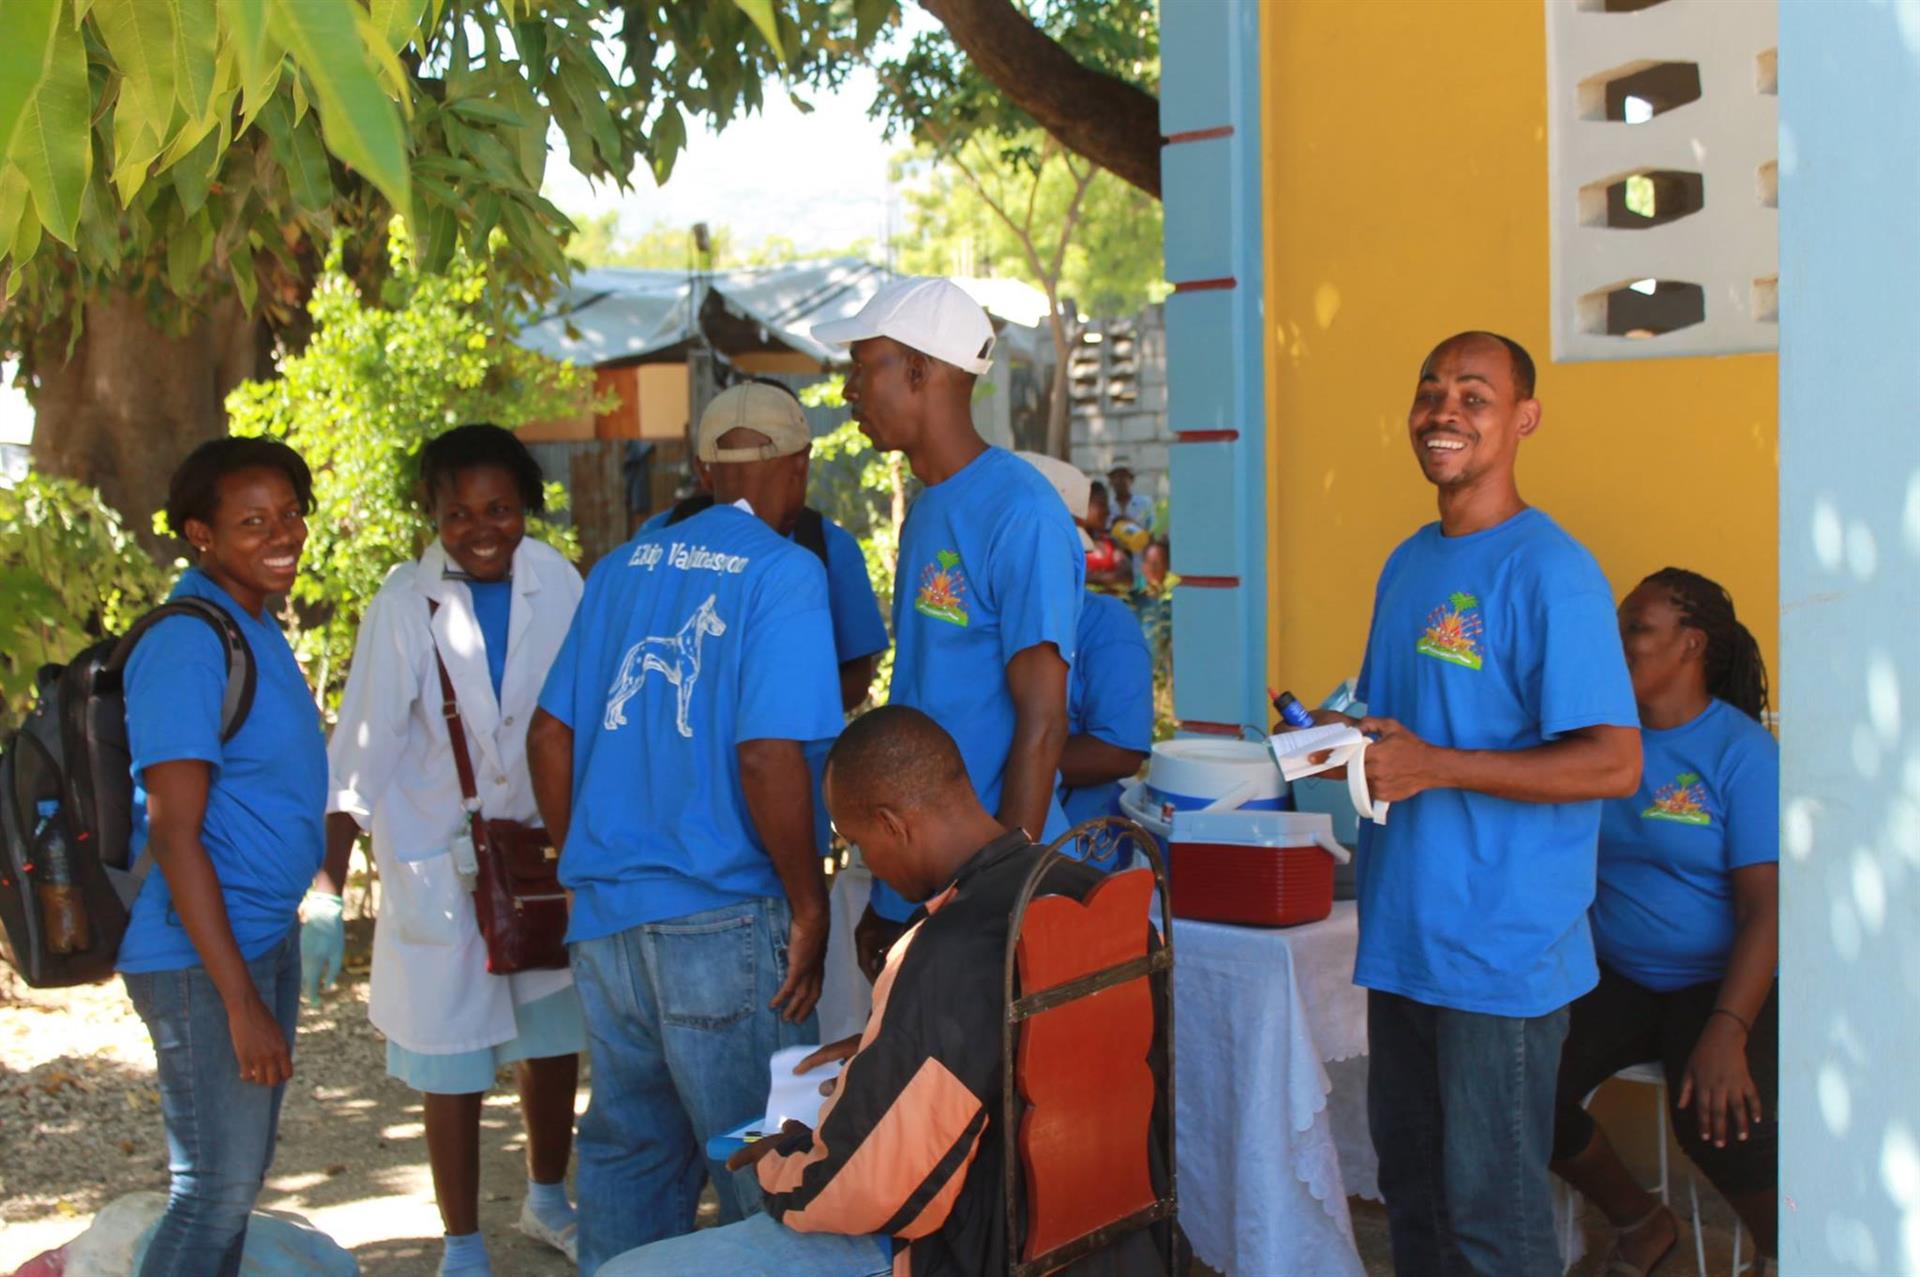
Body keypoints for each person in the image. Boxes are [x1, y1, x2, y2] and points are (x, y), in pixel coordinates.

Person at [1282, 332, 1642, 1275]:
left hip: (1502, 953)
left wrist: (1436, 765)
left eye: (1474, 395)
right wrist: (1339, 739)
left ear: (1525, 419)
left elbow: (1614, 762)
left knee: (1495, 1225)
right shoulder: (1409, 562)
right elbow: (1404, 723)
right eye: (1430, 390)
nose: (1444, 411)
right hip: (1406, 935)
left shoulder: (1553, 569)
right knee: (1418, 1205)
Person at [597, 705, 1178, 1277]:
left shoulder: (946, 947)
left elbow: (869, 1187)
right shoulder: (1083, 890)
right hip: (1112, 1239)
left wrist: (781, 1158)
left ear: (893, 824)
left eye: (857, 842)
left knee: (628, 1271)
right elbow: (1037, 1052)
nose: (866, 862)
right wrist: (887, 1043)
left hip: (977, 1248)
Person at [527, 389, 845, 1274]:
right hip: (726, 916)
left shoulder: (618, 567)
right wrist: (809, 904)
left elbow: (549, 736)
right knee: (765, 1165)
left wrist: (584, 865)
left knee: (629, 1154)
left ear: (706, 471)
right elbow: (768, 755)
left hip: (608, 925)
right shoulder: (784, 571)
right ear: (797, 468)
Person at [323, 425, 585, 1275]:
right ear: (431, 515)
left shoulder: (560, 581)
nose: (481, 529)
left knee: (551, 1040)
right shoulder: (404, 605)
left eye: (499, 508)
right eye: (458, 513)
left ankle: (547, 1198)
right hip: (441, 863)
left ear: (526, 505)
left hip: (539, 852)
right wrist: (327, 884)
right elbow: (358, 754)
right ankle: (462, 1243)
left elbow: (583, 716)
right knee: (453, 1061)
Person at [813, 277, 1085, 979]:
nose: (848, 391)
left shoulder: (1022, 512)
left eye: (862, 366)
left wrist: (999, 904)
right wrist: (889, 894)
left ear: (919, 370)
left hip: (989, 892)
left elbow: (1044, 721)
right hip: (926, 880)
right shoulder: (931, 507)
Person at [118, 437, 329, 1276]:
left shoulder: (253, 621)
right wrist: (240, 1001)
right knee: (211, 1190)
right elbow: (175, 831)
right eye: (253, 521)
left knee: (234, 1184)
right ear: (200, 534)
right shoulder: (188, 640)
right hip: (201, 955)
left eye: (290, 513)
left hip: (259, 934)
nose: (282, 534)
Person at [1551, 569, 1779, 1271]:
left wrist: (1728, 1029)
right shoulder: (1600, 741)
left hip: (1716, 980)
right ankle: (1643, 1222)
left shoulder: (1742, 753)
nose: (1617, 641)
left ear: (1691, 644)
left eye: (1637, 628)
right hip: (1615, 972)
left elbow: (1765, 907)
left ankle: (1791, 1251)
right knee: (1519, 1089)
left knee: (1720, 1119)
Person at [1082, 481, 1135, 598]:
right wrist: (1108, 578)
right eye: (1102, 505)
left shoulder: (1110, 543)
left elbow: (1126, 577)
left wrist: (1090, 577)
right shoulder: (1069, 545)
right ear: (1084, 506)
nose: (1108, 512)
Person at [1106, 459, 1154, 535]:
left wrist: (1133, 525)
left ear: (1132, 480)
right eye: (1116, 476)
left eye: (1124, 476)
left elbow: (1154, 532)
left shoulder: (1145, 503)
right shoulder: (1106, 506)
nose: (1120, 480)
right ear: (1110, 481)